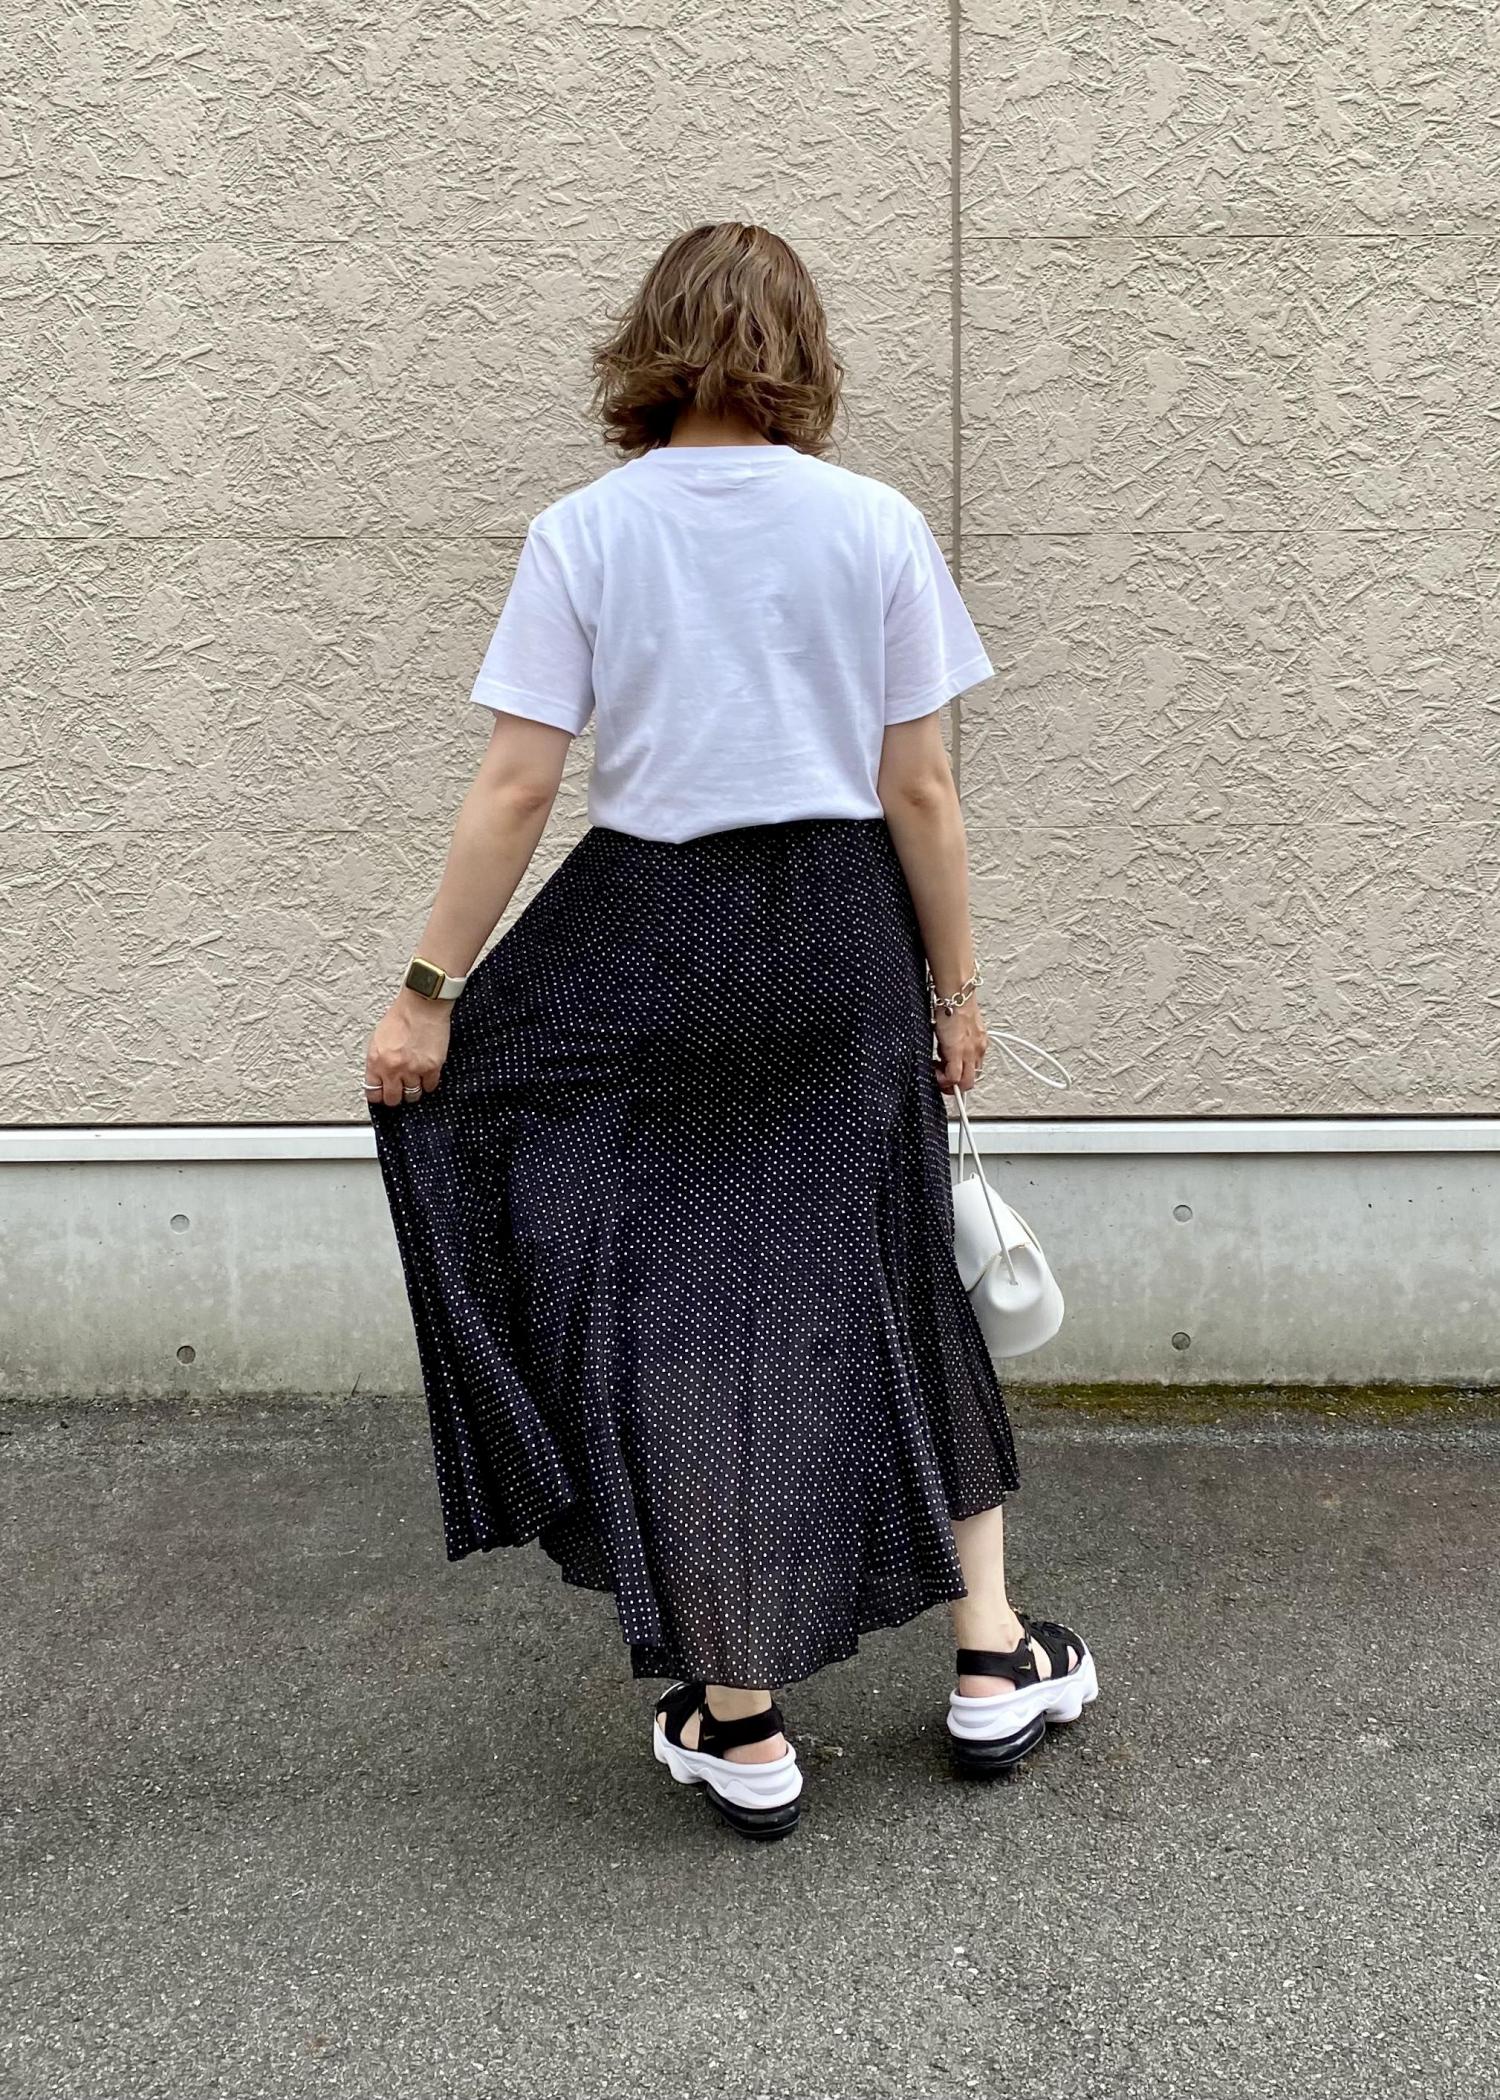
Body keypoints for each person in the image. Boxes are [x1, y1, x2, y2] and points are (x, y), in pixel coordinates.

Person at [363, 221, 1096, 1842]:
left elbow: (518, 785)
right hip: (840, 932)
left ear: (648, 346)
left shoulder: (584, 531)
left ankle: (742, 1723)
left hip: (653, 932)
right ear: (803, 352)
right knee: (893, 1272)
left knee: (678, 1302)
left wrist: (428, 997)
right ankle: (992, 1660)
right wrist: (957, 992)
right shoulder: (874, 523)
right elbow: (921, 790)